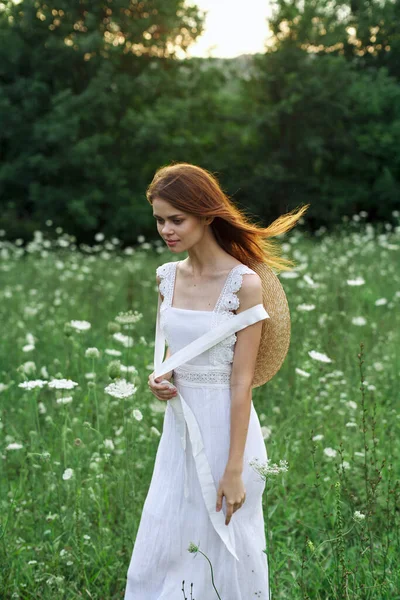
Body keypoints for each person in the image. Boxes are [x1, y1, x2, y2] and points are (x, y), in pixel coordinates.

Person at [124, 162, 308, 599]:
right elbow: (176, 350)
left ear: (206, 215)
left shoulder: (243, 284)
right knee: (169, 531)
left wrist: (234, 471)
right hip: (180, 429)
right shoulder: (166, 277)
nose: (166, 230)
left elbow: (241, 383)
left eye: (176, 219)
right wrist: (161, 376)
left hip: (229, 432)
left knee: (226, 547)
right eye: (159, 220)